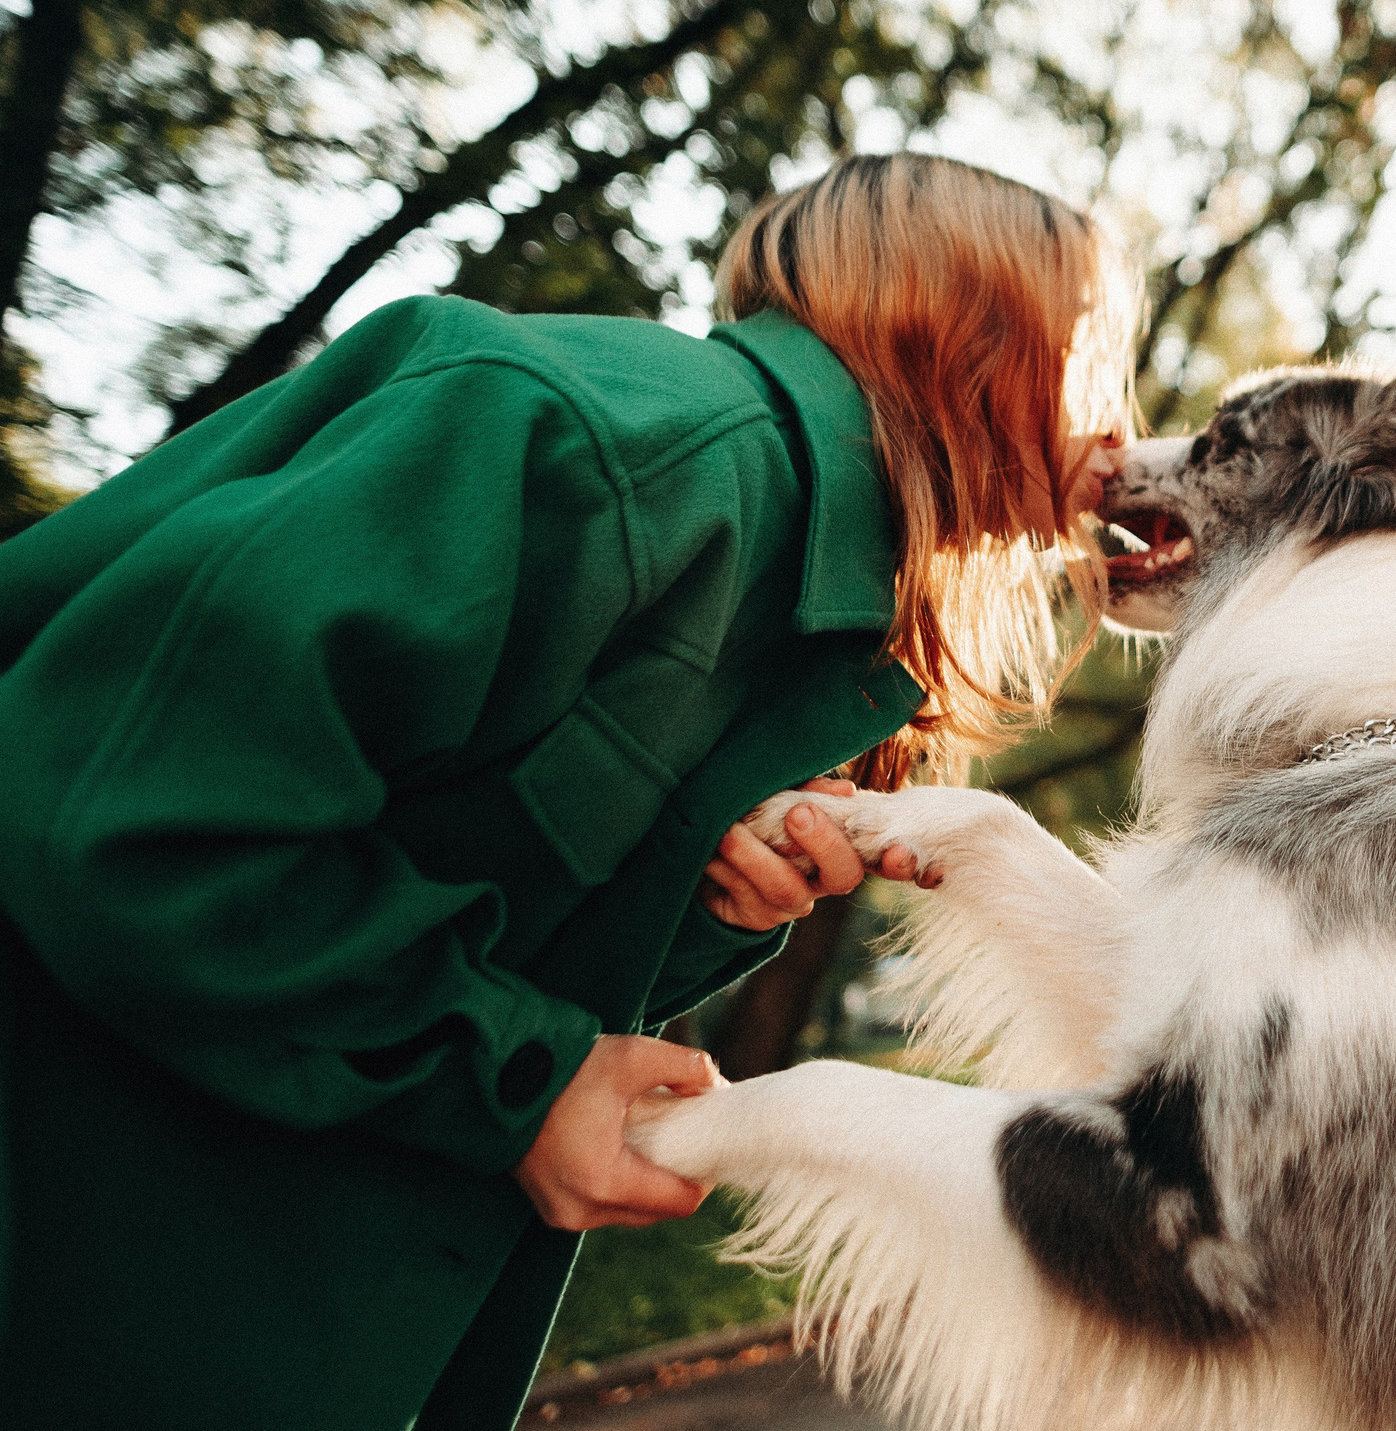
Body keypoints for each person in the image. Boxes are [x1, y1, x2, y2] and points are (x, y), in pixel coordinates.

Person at [0, 153, 1134, 1430]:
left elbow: (490, 910)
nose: (1119, 416)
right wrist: (525, 1081)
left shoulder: (818, 620)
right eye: (1093, 347)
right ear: (973, 320)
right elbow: (138, 812)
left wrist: (704, 895)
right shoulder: (597, 440)